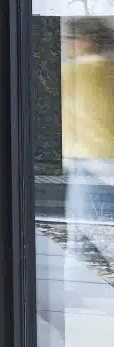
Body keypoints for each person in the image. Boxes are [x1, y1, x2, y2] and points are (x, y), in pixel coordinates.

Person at [62, 16, 114, 267]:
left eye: (70, 39)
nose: (67, 45)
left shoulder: (74, 72)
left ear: (84, 41)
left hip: (90, 163)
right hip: (101, 162)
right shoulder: (110, 70)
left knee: (82, 245)